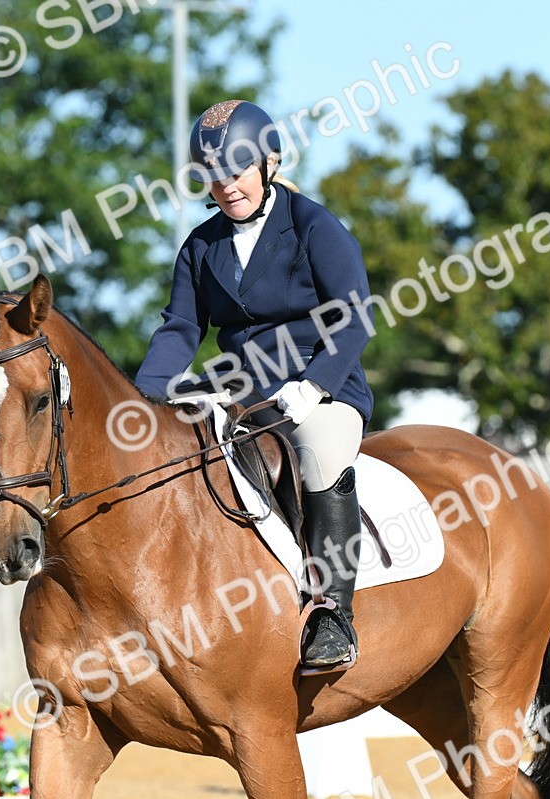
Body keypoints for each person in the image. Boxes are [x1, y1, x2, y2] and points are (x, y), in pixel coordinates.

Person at [134, 99, 375, 672]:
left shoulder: (314, 226)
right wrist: (143, 399)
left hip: (323, 384)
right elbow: (182, 326)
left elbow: (355, 315)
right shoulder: (200, 245)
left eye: (237, 172)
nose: (226, 186)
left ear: (268, 164)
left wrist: (315, 385)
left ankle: (333, 616)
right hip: (239, 393)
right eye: (214, 176)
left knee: (319, 455)